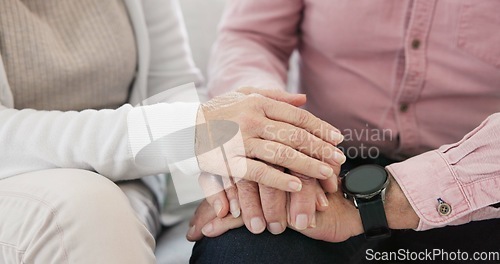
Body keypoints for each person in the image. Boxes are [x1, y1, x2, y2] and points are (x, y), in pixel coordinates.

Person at [0, 0, 344, 263]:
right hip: (23, 185)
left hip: (129, 188)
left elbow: (172, 89)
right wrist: (189, 134)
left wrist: (244, 177)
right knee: (84, 205)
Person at [188, 0, 500, 263]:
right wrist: (271, 131)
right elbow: (253, 36)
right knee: (241, 250)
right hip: (326, 164)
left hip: (479, 176)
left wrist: (385, 201)